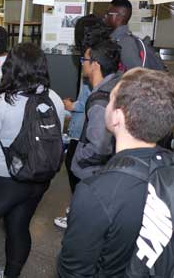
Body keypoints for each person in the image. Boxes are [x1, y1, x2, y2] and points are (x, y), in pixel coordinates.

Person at [58, 68, 174, 277]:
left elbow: (73, 270)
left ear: (117, 117)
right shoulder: (168, 168)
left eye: (110, 99)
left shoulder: (96, 192)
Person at [0, 43, 65, 278]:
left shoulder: (0, 103)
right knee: (19, 227)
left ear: (10, 67)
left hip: (1, 179)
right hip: (39, 178)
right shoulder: (54, 99)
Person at [54, 18, 109, 229]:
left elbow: (88, 100)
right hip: (92, 125)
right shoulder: (104, 55)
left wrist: (71, 105)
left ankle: (78, 214)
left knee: (76, 168)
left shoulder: (92, 60)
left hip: (84, 126)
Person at [70, 39, 121, 182]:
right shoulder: (116, 84)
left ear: (95, 65)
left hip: (93, 175)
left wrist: (78, 159)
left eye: (84, 59)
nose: (82, 63)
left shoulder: (100, 102)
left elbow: (99, 148)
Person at [105, 0, 143, 71]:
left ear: (118, 17)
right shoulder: (116, 38)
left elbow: (136, 74)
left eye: (108, 13)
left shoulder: (126, 43)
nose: (105, 16)